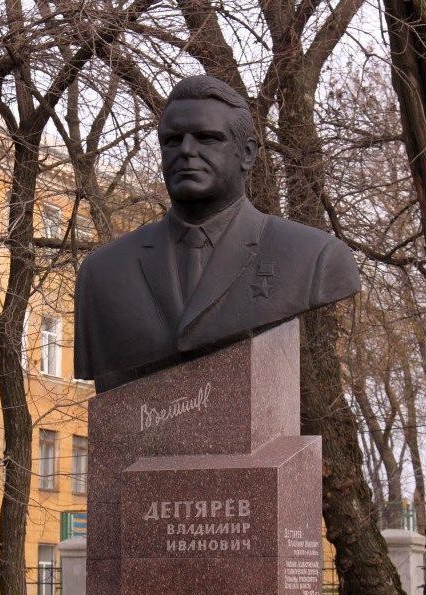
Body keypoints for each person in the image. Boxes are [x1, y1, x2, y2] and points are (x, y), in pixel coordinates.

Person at [74, 75, 360, 391]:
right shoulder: (103, 273)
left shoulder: (314, 257)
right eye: (172, 140)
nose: (185, 151)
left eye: (207, 138)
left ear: (248, 154)